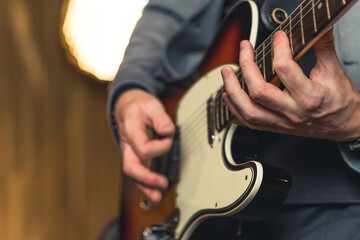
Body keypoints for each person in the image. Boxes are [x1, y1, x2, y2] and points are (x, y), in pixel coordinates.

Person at [107, 0, 360, 239]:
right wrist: (133, 87)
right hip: (195, 189)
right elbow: (168, 10)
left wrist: (354, 123)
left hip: (337, 204)